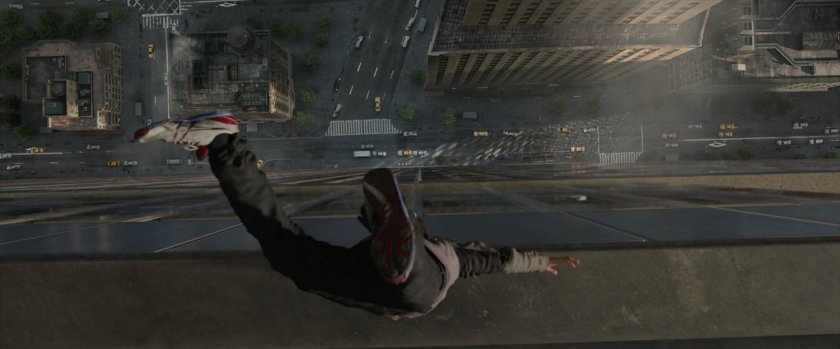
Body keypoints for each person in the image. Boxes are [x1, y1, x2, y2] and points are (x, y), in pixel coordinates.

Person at [134, 112, 581, 320]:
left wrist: (539, 262)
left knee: (288, 250)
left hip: (418, 265)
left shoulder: (451, 258)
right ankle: (225, 146)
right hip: (417, 286)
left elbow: (492, 260)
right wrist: (539, 263)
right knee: (289, 250)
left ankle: (221, 145)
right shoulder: (438, 273)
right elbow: (488, 262)